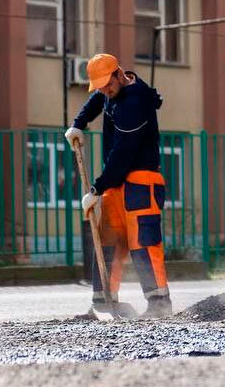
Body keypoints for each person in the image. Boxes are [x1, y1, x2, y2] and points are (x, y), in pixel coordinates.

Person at [64, 53, 171, 317]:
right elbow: (97, 100)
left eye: (107, 84)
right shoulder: (111, 89)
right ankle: (102, 303)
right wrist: (79, 124)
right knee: (108, 240)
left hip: (140, 180)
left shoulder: (135, 102)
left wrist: (96, 189)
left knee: (143, 242)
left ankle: (159, 303)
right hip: (117, 182)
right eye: (100, 86)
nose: (104, 90)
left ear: (119, 73)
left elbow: (122, 155)